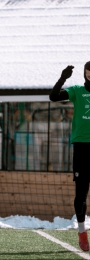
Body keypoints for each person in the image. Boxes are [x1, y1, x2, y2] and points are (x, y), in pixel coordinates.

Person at [49, 61, 90, 252]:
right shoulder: (76, 91)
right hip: (81, 147)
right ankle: (82, 231)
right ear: (85, 73)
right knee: (81, 191)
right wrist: (63, 78)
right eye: (88, 72)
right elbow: (54, 96)